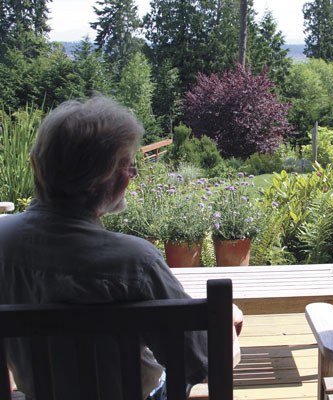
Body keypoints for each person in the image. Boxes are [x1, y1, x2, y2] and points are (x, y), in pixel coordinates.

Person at [0, 96, 241, 400]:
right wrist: (226, 321)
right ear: (98, 181)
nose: (132, 175)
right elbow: (205, 363)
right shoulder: (135, 262)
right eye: (128, 166)